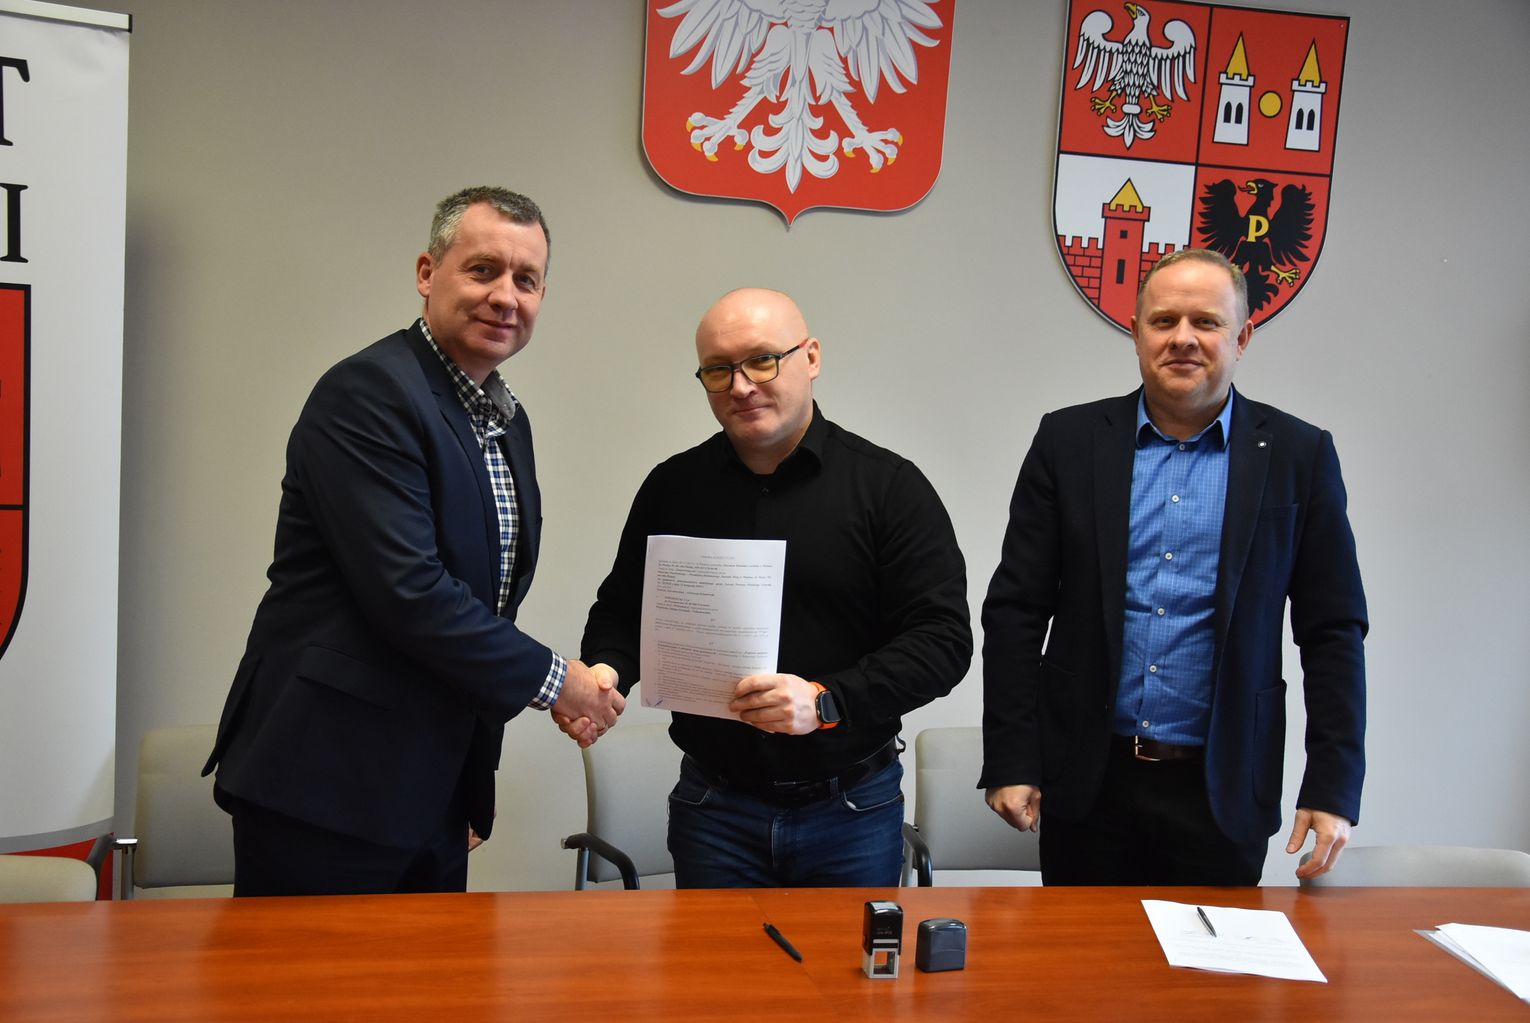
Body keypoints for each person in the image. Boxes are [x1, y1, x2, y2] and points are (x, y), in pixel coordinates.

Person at [203, 187, 624, 896]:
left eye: (526, 280)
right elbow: (412, 594)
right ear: (428, 273)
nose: (505, 296)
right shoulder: (369, 392)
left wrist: (468, 781)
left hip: (429, 790)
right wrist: (563, 682)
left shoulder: (505, 420)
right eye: (483, 269)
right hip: (325, 788)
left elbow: (486, 604)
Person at [980, 248, 1367, 885]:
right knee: (1082, 954)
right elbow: (1016, 612)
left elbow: (1333, 632)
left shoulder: (1299, 455)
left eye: (1206, 322)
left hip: (1222, 788)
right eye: (1163, 321)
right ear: (1137, 332)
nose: (1183, 338)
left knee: (1214, 954)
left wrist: (1333, 784)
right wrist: (1011, 757)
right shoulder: (1068, 442)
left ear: (1242, 337)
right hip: (1088, 782)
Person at [573, 288, 971, 887]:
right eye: (717, 370)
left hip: (852, 809)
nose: (740, 386)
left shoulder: (889, 488)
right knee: (716, 956)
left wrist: (825, 701)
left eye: (762, 360)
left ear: (810, 357)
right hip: (714, 806)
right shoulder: (672, 487)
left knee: (848, 956)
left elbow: (943, 642)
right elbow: (624, 610)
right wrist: (606, 673)